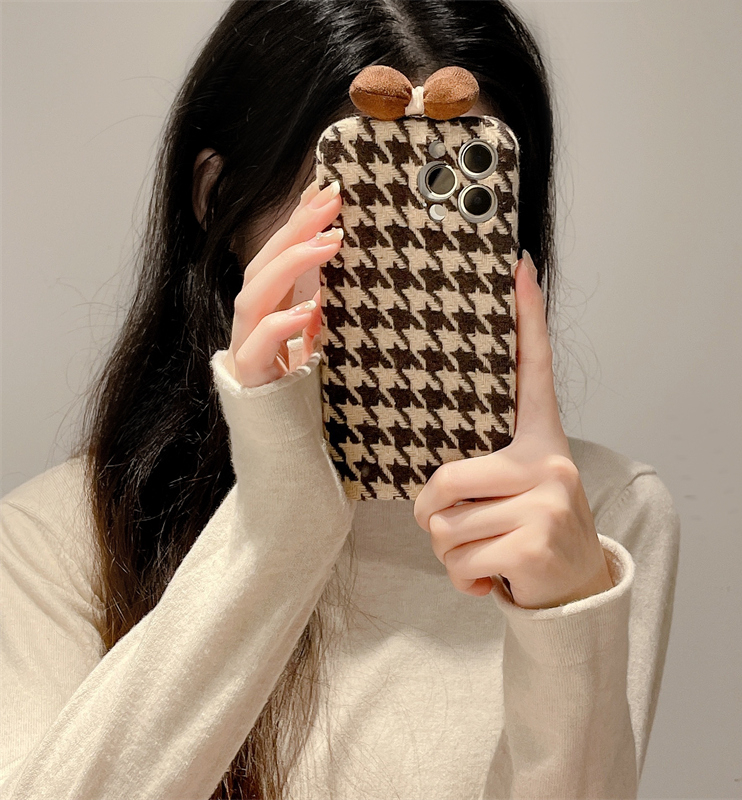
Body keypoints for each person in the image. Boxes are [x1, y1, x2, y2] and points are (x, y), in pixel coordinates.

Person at [0, 1, 681, 798]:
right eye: (357, 203)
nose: (410, 266)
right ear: (218, 197)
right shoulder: (58, 541)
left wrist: (567, 619)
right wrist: (279, 520)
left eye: (453, 210)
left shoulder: (603, 523)